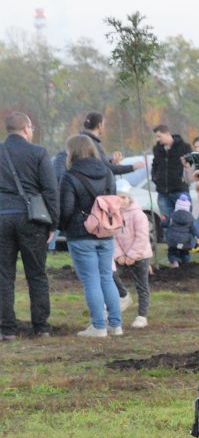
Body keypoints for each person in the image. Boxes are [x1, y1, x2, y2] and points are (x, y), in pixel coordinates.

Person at [56, 135, 123, 337]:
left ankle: (98, 326)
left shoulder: (70, 176)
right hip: (105, 232)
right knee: (107, 278)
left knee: (91, 280)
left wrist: (63, 227)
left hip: (81, 234)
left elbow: (66, 209)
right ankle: (115, 325)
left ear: (73, 152)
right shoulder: (108, 172)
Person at [0, 111, 57, 340]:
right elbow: (51, 190)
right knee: (37, 274)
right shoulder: (38, 152)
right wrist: (53, 222)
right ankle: (41, 326)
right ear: (26, 128)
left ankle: (6, 329)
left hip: (2, 217)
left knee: (4, 276)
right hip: (32, 220)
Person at [113, 185, 153, 328]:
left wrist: (132, 255)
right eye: (118, 197)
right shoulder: (114, 214)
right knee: (111, 274)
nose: (121, 200)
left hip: (140, 256)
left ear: (129, 198)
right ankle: (124, 296)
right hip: (122, 256)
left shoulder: (138, 215)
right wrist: (118, 255)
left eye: (123, 197)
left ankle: (142, 316)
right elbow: (114, 237)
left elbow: (142, 237)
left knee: (142, 285)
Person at [150, 124, 192, 242]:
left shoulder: (184, 147)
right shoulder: (157, 149)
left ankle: (184, 249)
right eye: (156, 137)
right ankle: (172, 251)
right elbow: (155, 165)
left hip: (180, 190)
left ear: (167, 134)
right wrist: (155, 178)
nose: (157, 140)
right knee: (166, 222)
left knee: (183, 221)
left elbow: (191, 164)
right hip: (163, 192)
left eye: (159, 136)